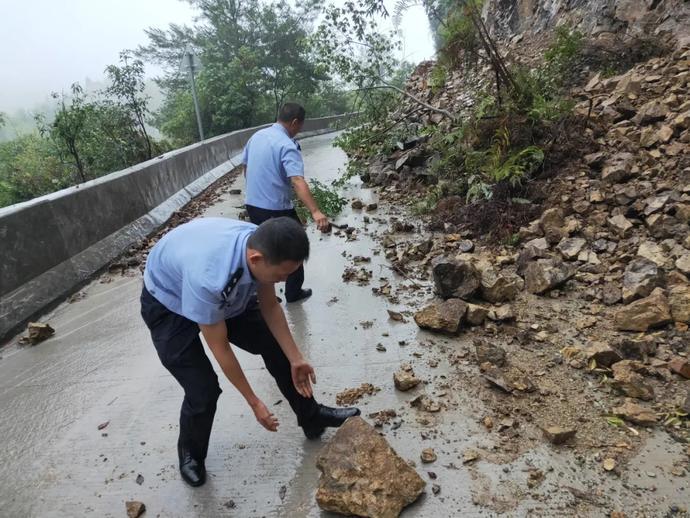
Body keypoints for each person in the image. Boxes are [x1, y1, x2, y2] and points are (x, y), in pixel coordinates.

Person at [140, 216, 360, 487]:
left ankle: (311, 417)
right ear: (255, 259)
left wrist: (296, 358)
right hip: (168, 301)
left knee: (276, 346)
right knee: (203, 389)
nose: (284, 280)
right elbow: (219, 346)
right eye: (281, 275)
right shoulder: (210, 280)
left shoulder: (262, 244)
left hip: (207, 277)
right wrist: (253, 401)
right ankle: (191, 454)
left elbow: (270, 307)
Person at [241, 102, 329, 303]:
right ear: (295, 122)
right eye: (300, 126)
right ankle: (293, 292)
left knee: (262, 249)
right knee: (295, 246)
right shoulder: (287, 145)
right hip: (275, 207)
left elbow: (246, 166)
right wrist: (315, 211)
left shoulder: (256, 137)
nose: (299, 131)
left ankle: (264, 296)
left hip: (253, 204)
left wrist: (256, 190)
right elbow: (297, 180)